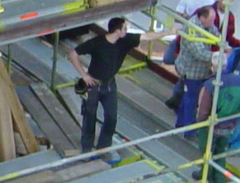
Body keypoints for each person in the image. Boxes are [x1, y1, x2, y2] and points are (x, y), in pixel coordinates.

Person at [68, 16, 166, 154]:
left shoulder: (124, 40)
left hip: (109, 85)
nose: (127, 30)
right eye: (125, 28)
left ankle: (103, 148)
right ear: (117, 31)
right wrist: (84, 75)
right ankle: (87, 147)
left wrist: (168, 32)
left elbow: (147, 37)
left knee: (111, 117)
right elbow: (73, 53)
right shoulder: (97, 43)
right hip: (93, 86)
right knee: (89, 116)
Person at [174, 6, 220, 136]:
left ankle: (181, 123)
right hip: (192, 71)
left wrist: (222, 42)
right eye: (211, 20)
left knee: (188, 97)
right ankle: (190, 131)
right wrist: (218, 56)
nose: (213, 23)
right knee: (192, 100)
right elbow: (200, 53)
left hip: (199, 70)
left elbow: (215, 32)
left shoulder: (205, 25)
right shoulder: (191, 30)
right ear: (202, 18)